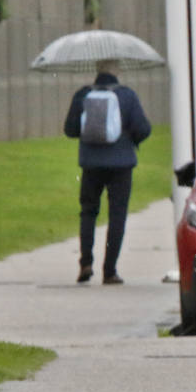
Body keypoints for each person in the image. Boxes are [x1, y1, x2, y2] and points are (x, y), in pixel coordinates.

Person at [63, 59, 151, 284]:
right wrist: (130, 138)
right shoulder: (127, 96)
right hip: (121, 165)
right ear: (117, 71)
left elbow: (70, 130)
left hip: (91, 163)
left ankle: (85, 262)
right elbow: (143, 128)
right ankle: (109, 270)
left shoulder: (82, 94)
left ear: (97, 71)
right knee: (117, 216)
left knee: (88, 212)